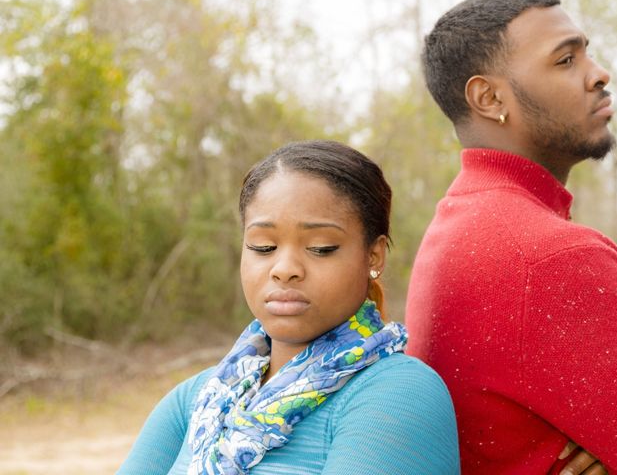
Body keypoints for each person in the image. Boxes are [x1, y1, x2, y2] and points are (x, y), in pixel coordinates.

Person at [405, 0, 617, 474]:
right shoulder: (550, 257)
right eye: (566, 60)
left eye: (587, 53)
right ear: (489, 99)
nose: (599, 74)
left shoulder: (458, 223)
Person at [119, 140, 459, 474]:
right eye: (263, 246)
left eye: (321, 247)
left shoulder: (398, 394)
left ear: (374, 255)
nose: (284, 268)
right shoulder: (196, 400)